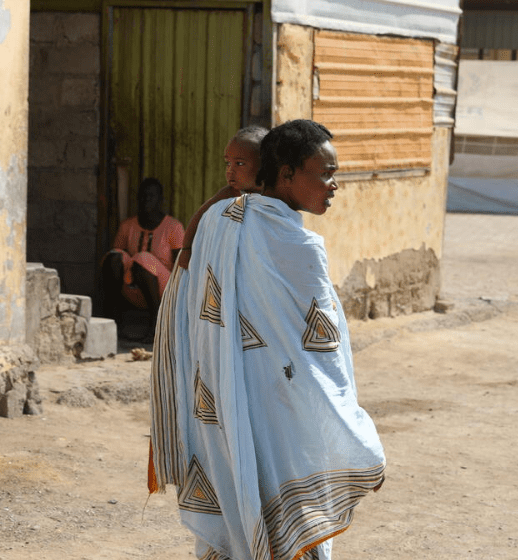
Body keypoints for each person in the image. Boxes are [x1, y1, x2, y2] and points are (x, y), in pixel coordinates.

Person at [149, 120, 385, 560]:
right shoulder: (300, 246)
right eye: (326, 173)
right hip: (282, 408)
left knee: (242, 504)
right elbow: (324, 359)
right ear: (287, 174)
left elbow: (183, 282)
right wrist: (355, 433)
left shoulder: (220, 220)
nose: (335, 185)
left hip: (225, 401)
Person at [175, 125, 268, 270]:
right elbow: (199, 216)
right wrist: (186, 249)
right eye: (228, 163)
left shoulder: (273, 196)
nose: (230, 170)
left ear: (264, 166)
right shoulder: (230, 193)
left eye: (240, 163)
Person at [101, 177, 184, 325]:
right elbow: (117, 262)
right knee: (114, 257)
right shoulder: (127, 225)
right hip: (132, 290)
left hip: (163, 292)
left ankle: (156, 324)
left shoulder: (173, 227)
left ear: (160, 200)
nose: (146, 200)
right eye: (143, 196)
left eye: (151, 196)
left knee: (143, 260)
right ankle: (114, 319)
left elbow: (182, 267)